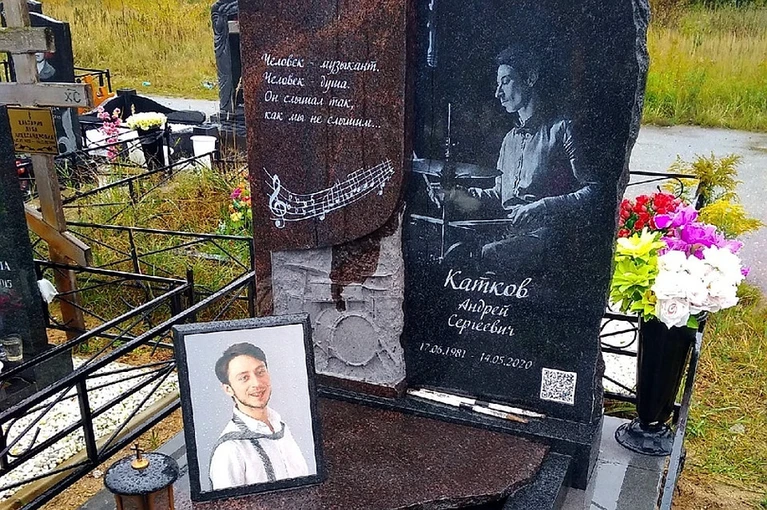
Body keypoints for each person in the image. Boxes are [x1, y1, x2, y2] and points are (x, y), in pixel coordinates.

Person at [461, 45, 601, 267]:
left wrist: (542, 206)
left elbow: (593, 190)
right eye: (498, 84)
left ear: (530, 78)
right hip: (510, 232)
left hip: (548, 235)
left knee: (488, 254)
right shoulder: (509, 140)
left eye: (506, 81)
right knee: (458, 249)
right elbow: (499, 194)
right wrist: (460, 194)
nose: (498, 93)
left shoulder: (562, 129)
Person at [209, 343, 309, 490]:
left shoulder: (280, 427)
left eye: (260, 372)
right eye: (244, 378)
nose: (256, 383)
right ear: (228, 389)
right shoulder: (229, 450)